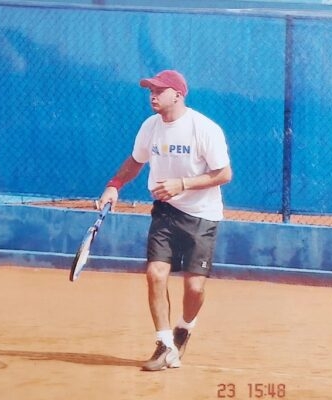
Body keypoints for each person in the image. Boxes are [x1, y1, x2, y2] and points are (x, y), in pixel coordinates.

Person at [98, 70, 232, 371]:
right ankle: (164, 343)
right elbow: (136, 161)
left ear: (178, 95)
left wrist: (182, 184)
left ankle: (184, 328)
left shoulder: (204, 128)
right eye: (151, 90)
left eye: (159, 90)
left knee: (194, 288)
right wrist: (114, 185)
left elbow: (224, 174)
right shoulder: (150, 126)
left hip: (202, 215)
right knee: (155, 274)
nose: (153, 95)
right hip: (165, 211)